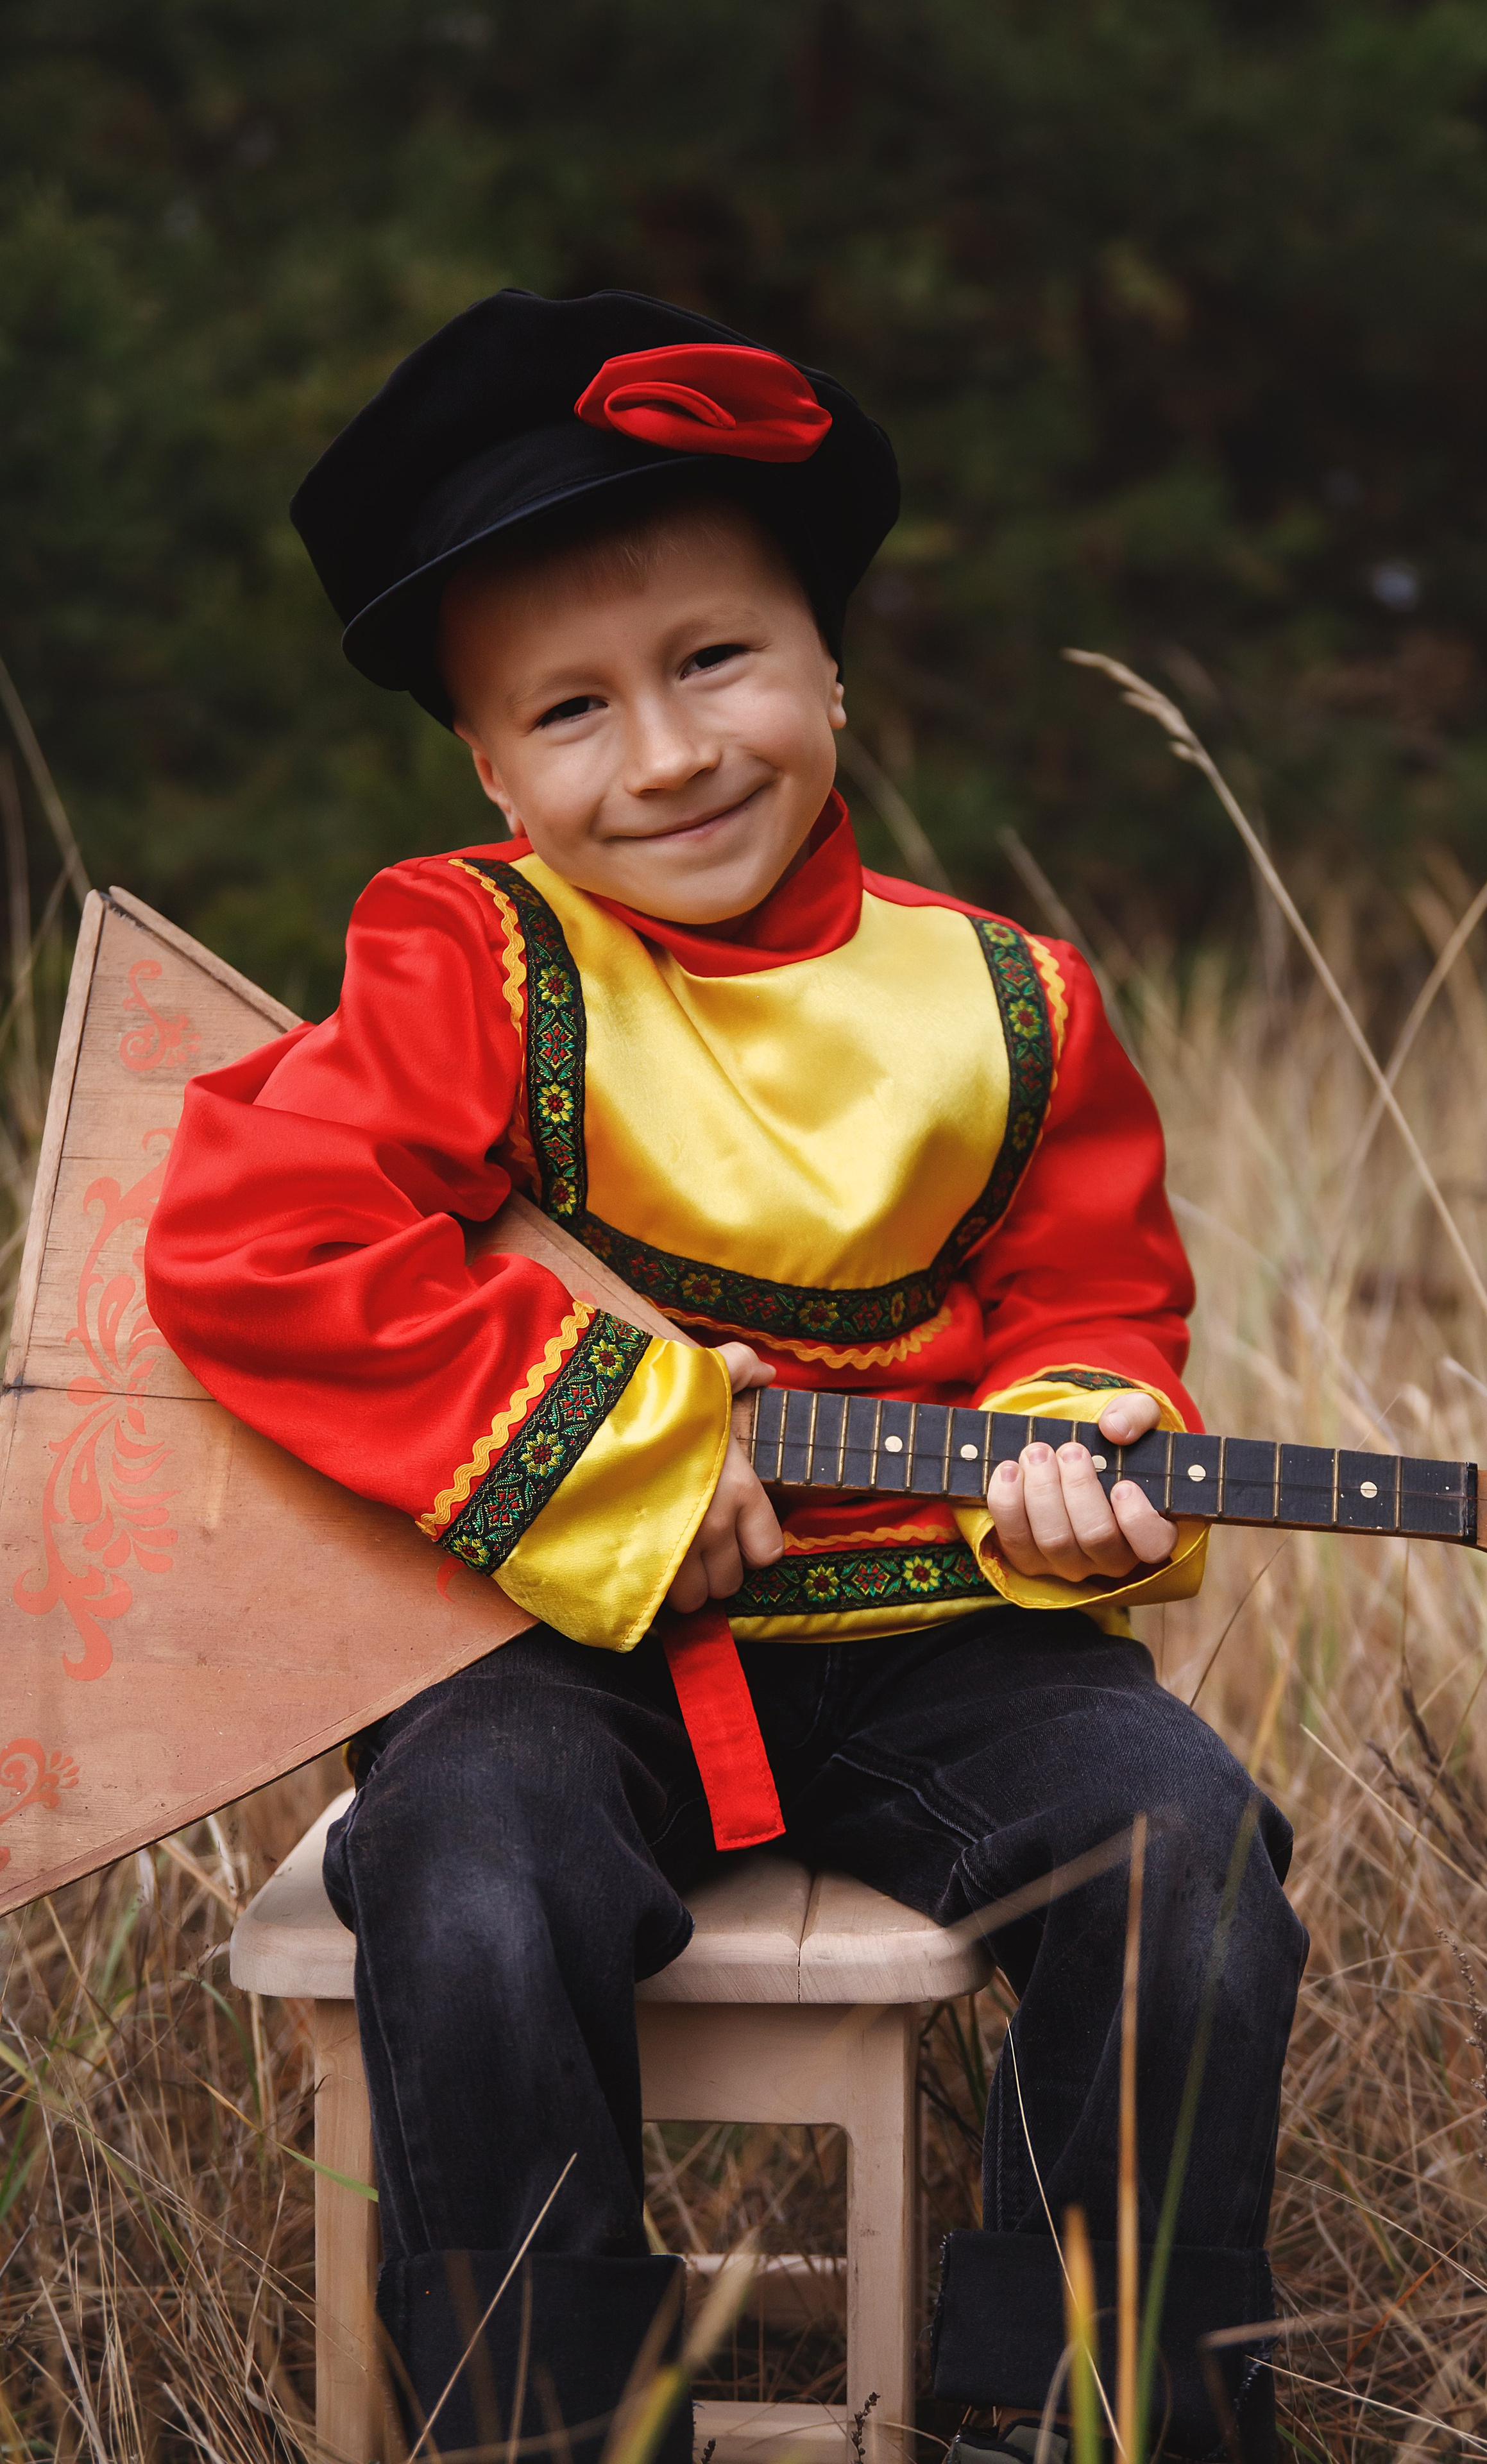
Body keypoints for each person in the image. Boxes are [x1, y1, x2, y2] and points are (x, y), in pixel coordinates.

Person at [146, 289, 1307, 2463]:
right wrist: (610, 1448)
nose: (666, 754)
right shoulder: (467, 953)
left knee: (1193, 1859)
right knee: (474, 1876)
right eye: (568, 711)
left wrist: (1081, 1442)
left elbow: (1086, 1304)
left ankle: (1085, 2415)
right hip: (551, 1642)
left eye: (714, 661)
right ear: (490, 770)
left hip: (931, 1632)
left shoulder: (1005, 999)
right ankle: (549, 2428)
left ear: (830, 663)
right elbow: (258, 1235)